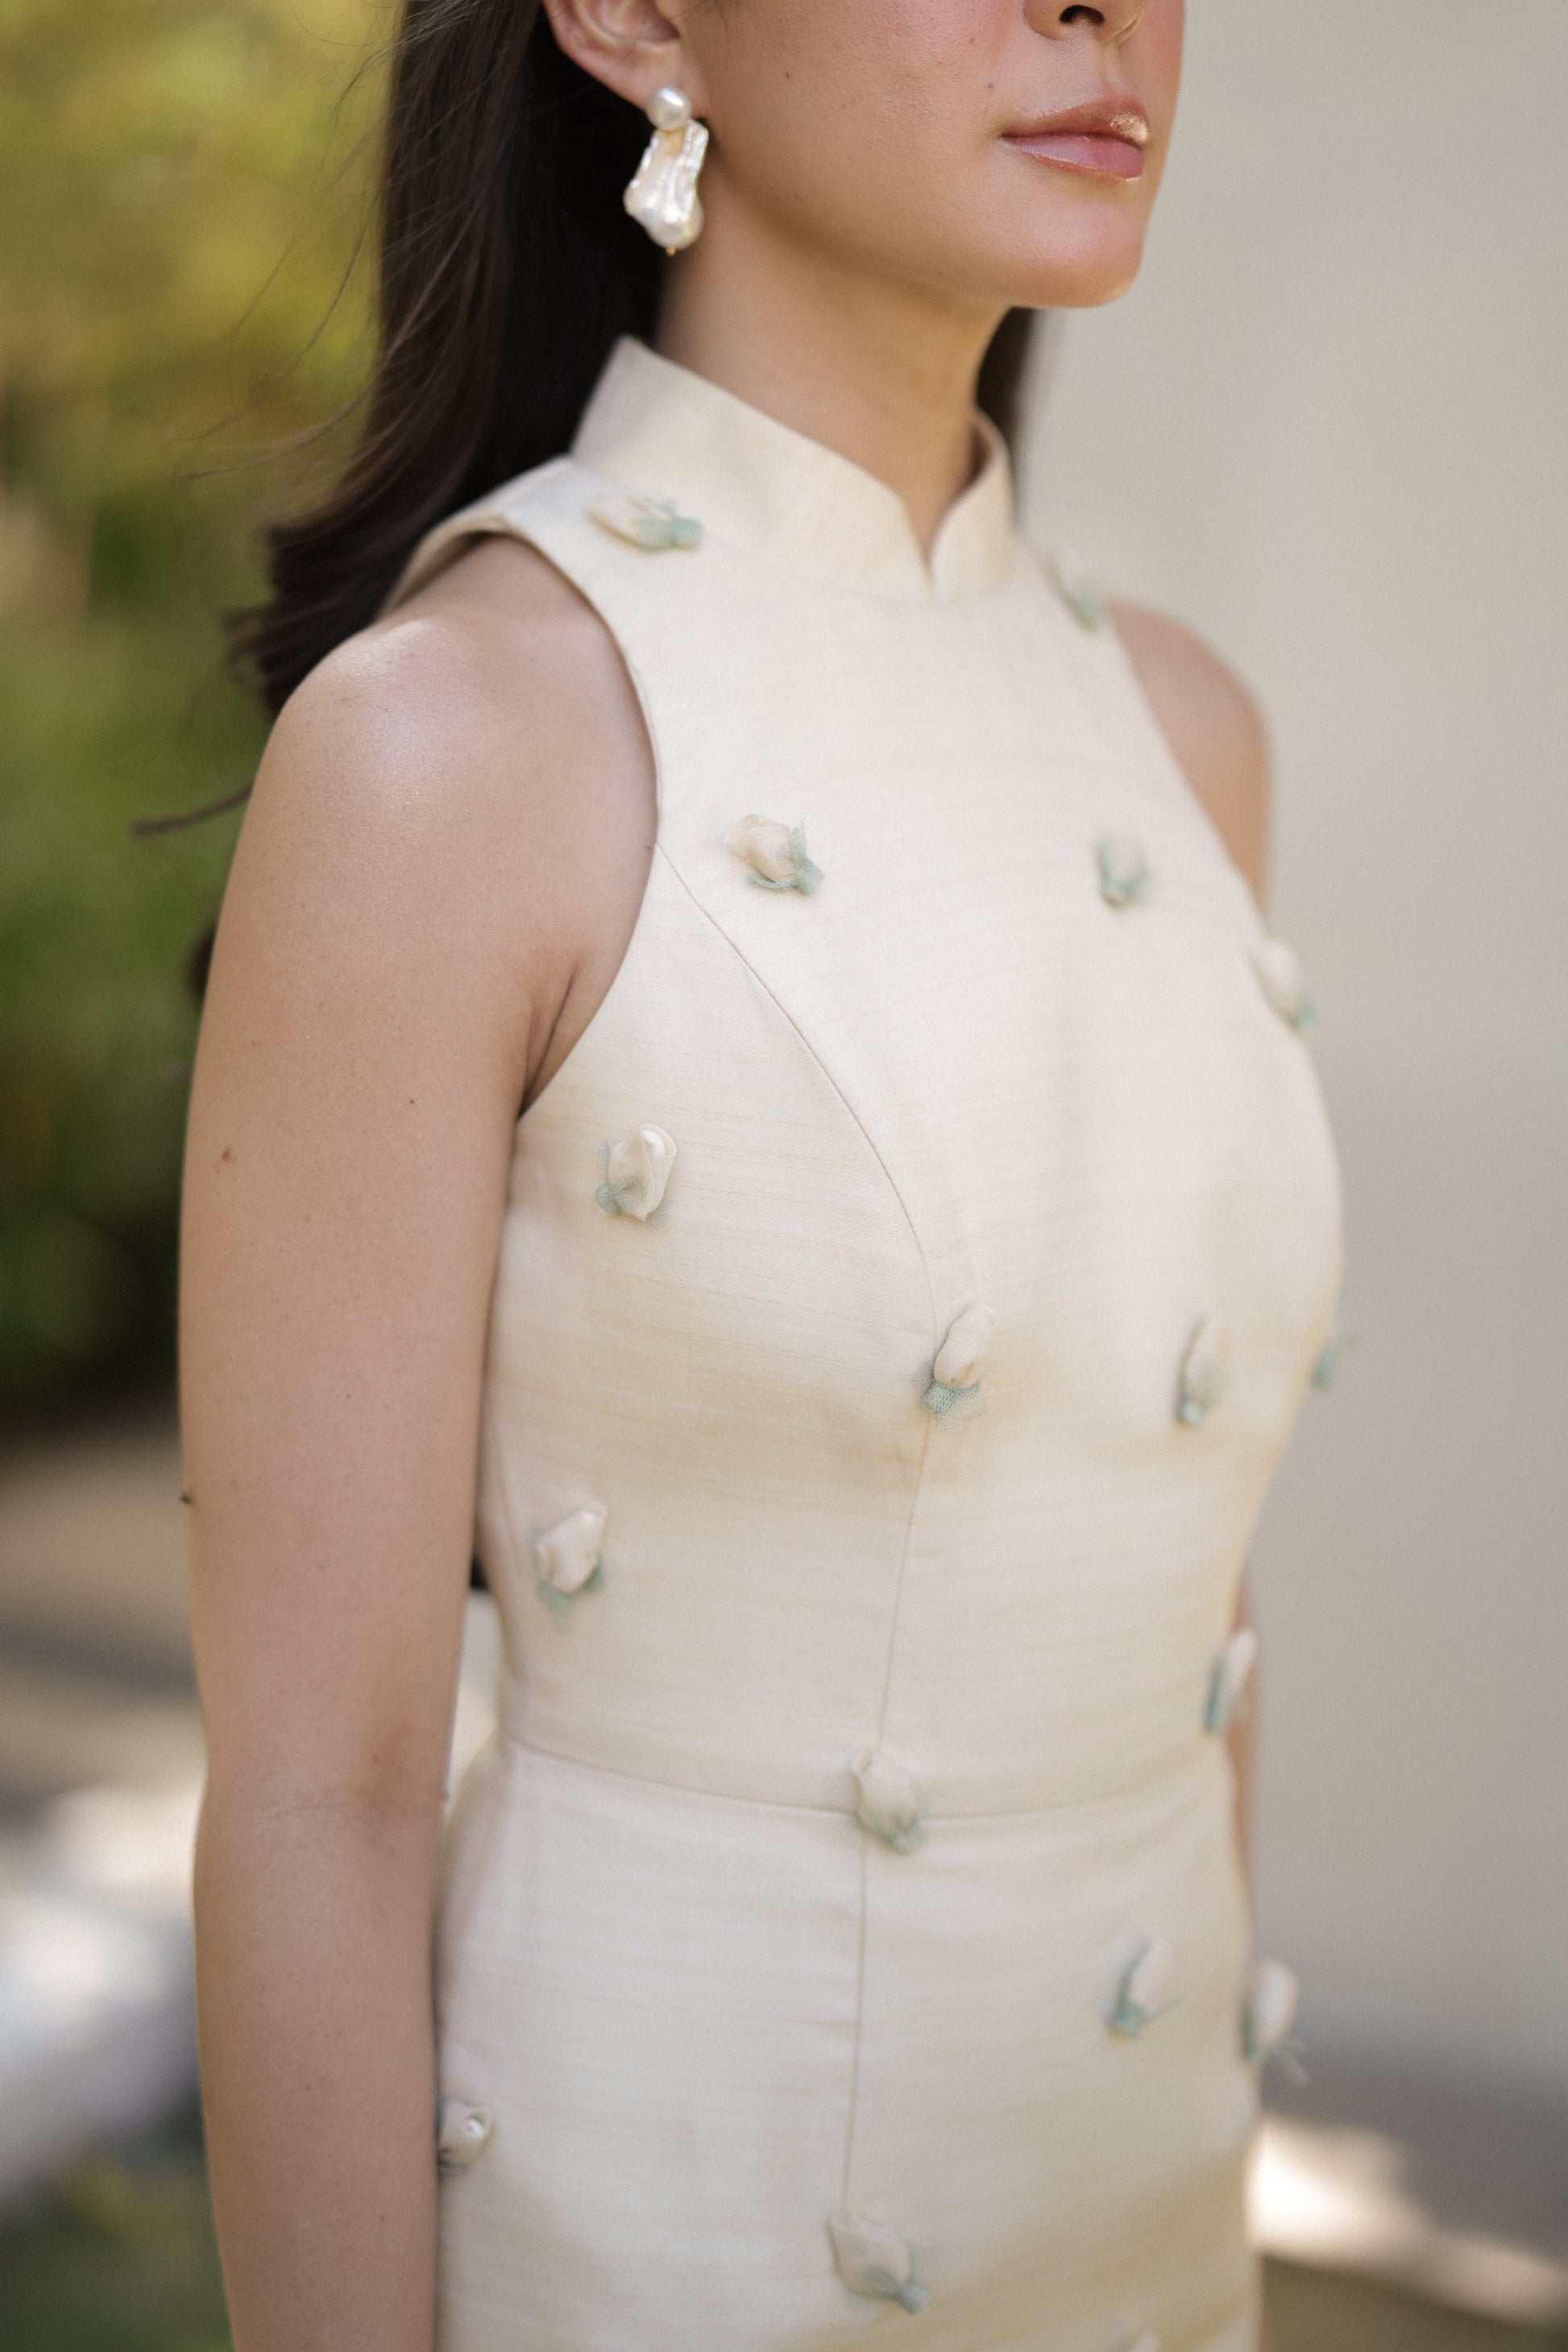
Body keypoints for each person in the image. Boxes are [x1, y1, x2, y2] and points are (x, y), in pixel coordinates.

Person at [180, 0, 1342, 2346]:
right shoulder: (452, 754)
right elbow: (322, 1793)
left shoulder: (1184, 735)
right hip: (649, 2248)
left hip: (1147, 2256)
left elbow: (1190, 1631)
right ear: (629, 16)